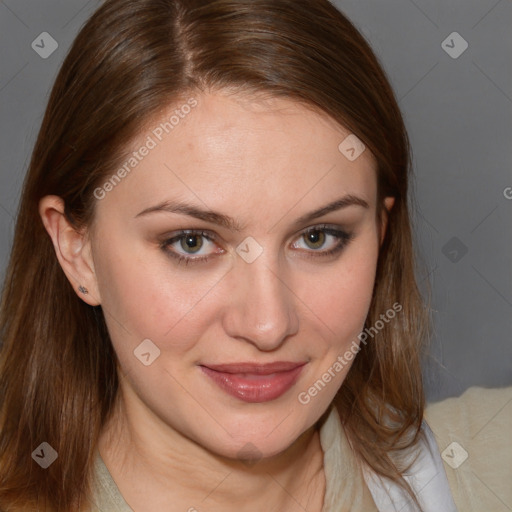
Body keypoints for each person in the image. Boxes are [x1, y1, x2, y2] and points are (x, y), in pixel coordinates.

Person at [0, 1, 457, 510]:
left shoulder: (485, 469)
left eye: (318, 237)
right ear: (76, 250)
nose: (267, 325)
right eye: (191, 242)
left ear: (380, 232)